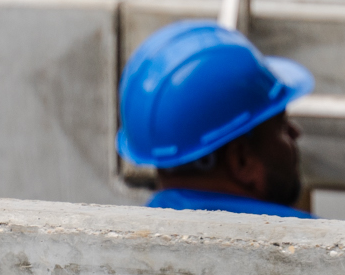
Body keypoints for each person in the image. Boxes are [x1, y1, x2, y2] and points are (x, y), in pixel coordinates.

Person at [117, 19, 314, 218]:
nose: (295, 132)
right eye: (280, 125)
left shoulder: (121, 239)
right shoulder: (322, 244)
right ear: (242, 161)